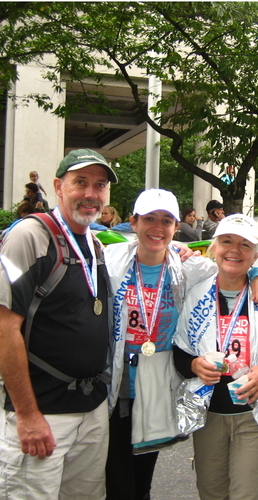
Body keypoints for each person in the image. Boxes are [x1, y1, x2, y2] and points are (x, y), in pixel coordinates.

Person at [104, 197, 258, 500]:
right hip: (116, 387)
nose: (157, 228)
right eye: (149, 219)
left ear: (176, 227)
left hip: (155, 388)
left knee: (142, 478)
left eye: (166, 221)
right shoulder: (110, 259)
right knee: (115, 478)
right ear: (133, 223)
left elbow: (235, 263)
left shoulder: (192, 268)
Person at [0, 148, 118, 499]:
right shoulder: (29, 237)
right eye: (80, 182)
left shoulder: (94, 243)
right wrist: (27, 414)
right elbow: (5, 328)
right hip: (43, 413)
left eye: (99, 185)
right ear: (58, 187)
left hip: (91, 411)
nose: (90, 193)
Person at [173, 214, 258, 500]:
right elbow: (179, 352)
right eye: (226, 241)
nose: (234, 250)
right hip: (210, 417)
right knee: (211, 492)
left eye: (244, 245)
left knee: (250, 494)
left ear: (256, 255)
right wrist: (193, 365)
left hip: (256, 416)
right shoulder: (197, 294)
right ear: (213, 247)